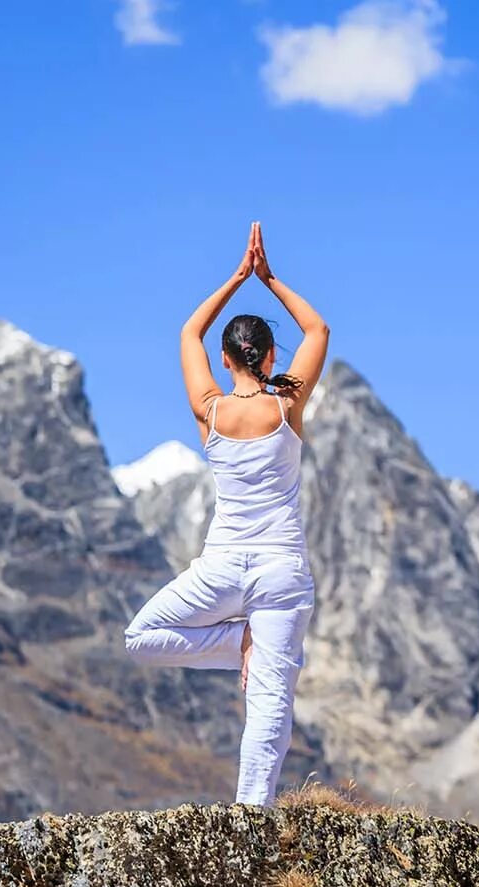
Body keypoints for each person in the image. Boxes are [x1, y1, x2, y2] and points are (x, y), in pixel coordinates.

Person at [123, 222, 331, 806]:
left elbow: (189, 329)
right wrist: (269, 279)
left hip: (221, 569)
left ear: (224, 358)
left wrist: (237, 278)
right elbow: (317, 328)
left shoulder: (208, 410)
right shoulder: (288, 403)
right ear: (267, 356)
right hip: (281, 573)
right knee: (269, 703)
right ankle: (250, 821)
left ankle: (237, 637)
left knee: (141, 637)